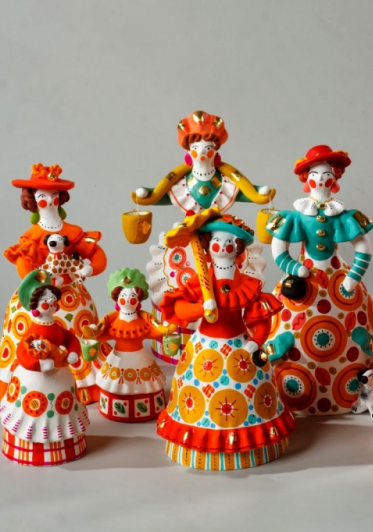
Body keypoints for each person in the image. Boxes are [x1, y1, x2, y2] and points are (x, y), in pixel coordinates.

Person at [132, 110, 274, 363]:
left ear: (216, 152)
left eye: (208, 148)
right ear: (189, 151)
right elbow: (164, 195)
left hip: (221, 231)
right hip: (188, 237)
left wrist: (258, 192)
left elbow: (241, 192)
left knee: (240, 283)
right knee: (178, 279)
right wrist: (148, 194)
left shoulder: (223, 180)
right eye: (197, 148)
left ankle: (242, 334)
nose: (202, 153)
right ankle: (177, 342)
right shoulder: (183, 180)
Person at [157, 212, 294, 469]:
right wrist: (201, 308)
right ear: (208, 245)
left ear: (238, 247)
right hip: (204, 348)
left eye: (230, 241)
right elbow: (181, 309)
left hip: (240, 346)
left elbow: (261, 318)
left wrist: (257, 341)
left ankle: (253, 441)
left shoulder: (248, 283)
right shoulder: (199, 282)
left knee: (252, 392)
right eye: (218, 241)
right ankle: (199, 440)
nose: (224, 246)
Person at [264, 145, 373, 416]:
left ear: (335, 179)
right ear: (306, 179)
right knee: (291, 331)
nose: (321, 179)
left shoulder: (344, 215)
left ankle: (351, 392)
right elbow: (278, 249)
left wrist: (353, 277)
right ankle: (294, 392)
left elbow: (364, 247)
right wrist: (294, 267)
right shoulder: (294, 216)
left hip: (340, 281)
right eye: (315, 174)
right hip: (302, 284)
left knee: (352, 331)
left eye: (327, 174)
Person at [0, 164, 107, 404]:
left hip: (71, 296)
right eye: (43, 196)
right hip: (40, 295)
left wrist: (89, 268)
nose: (49, 200)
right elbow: (24, 266)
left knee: (78, 328)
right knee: (28, 328)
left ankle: (79, 373)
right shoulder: (31, 237)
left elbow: (97, 255)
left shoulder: (73, 232)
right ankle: (33, 371)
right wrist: (41, 283)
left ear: (61, 198)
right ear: (32, 201)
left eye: (54, 195)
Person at [0, 269, 90, 465]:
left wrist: (74, 352)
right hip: (34, 380)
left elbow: (70, 339)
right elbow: (22, 354)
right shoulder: (32, 332)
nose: (51, 303)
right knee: (34, 409)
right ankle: (31, 445)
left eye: (53, 299)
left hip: (60, 377)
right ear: (35, 305)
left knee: (62, 408)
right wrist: (40, 364)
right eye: (46, 300)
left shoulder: (56, 328)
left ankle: (64, 443)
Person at [84, 268, 173, 422]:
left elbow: (156, 330)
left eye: (132, 297)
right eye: (123, 296)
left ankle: (146, 408)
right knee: (114, 383)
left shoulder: (145, 318)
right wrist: (92, 333)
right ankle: (115, 408)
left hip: (140, 358)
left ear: (138, 300)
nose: (127, 300)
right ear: (117, 299)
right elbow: (101, 332)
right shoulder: (111, 319)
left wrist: (167, 328)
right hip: (117, 359)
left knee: (146, 383)